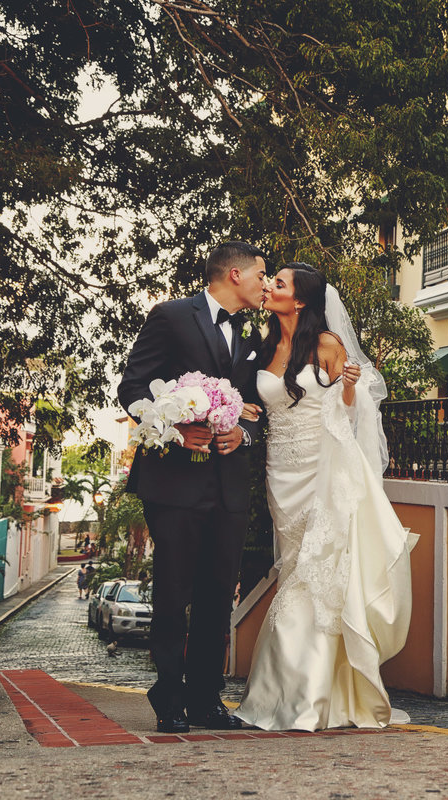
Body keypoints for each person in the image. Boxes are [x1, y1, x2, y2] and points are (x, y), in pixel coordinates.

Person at [235, 262, 417, 731]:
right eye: (270, 280)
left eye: (279, 283)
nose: (269, 286)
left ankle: (304, 698)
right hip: (281, 472)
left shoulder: (327, 346)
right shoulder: (259, 348)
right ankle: (304, 693)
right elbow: (250, 402)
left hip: (323, 467)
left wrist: (351, 389)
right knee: (295, 565)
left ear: (298, 300)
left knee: (316, 573)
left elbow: (349, 414)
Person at [117, 241, 266, 734]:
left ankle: (207, 700)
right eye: (261, 274)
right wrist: (176, 430)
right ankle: (169, 700)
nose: (266, 284)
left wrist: (242, 433)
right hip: (174, 482)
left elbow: (258, 411)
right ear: (236, 274)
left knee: (217, 595)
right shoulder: (171, 317)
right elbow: (132, 388)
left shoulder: (252, 334)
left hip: (228, 487)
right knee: (174, 590)